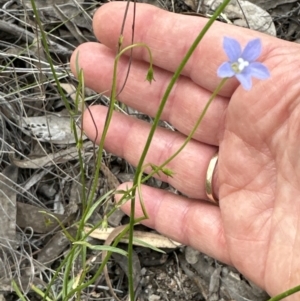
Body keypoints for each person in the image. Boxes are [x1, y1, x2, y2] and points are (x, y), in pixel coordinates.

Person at [70, 2, 300, 299]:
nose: (239, 67)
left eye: (241, 66)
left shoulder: (244, 69)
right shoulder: (231, 63)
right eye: (237, 64)